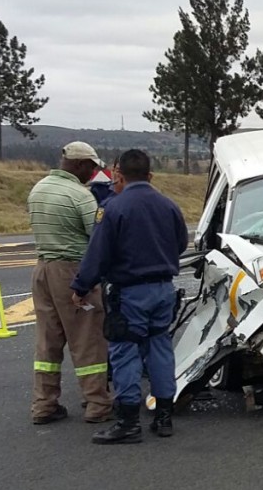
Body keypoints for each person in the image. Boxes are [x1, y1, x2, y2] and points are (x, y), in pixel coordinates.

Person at [72, 149, 189, 444]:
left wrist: (81, 286)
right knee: (160, 348)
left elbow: (97, 254)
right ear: (150, 175)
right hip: (163, 288)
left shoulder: (113, 208)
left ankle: (128, 422)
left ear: (119, 175)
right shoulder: (169, 205)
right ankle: (164, 417)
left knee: (125, 352)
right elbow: (181, 244)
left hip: (130, 292)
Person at [27, 141, 113, 425]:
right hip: (73, 271)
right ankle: (97, 403)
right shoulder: (80, 196)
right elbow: (97, 238)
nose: (93, 173)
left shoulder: (38, 190)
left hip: (42, 270)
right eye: (90, 167)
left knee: (48, 341)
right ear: (78, 165)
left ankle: (44, 403)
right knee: (87, 338)